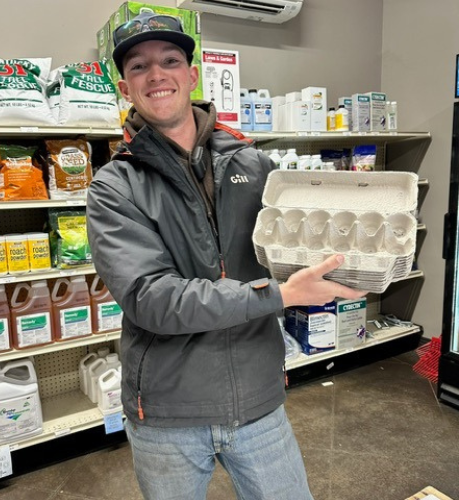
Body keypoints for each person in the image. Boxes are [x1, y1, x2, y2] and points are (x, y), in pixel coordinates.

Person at [86, 11, 366, 500]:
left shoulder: (253, 163)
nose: (156, 74)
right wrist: (279, 294)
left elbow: (292, 245)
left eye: (170, 60)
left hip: (259, 401)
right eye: (138, 66)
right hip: (169, 414)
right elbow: (151, 299)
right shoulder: (115, 186)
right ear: (124, 86)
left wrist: (351, 253)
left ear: (192, 76)